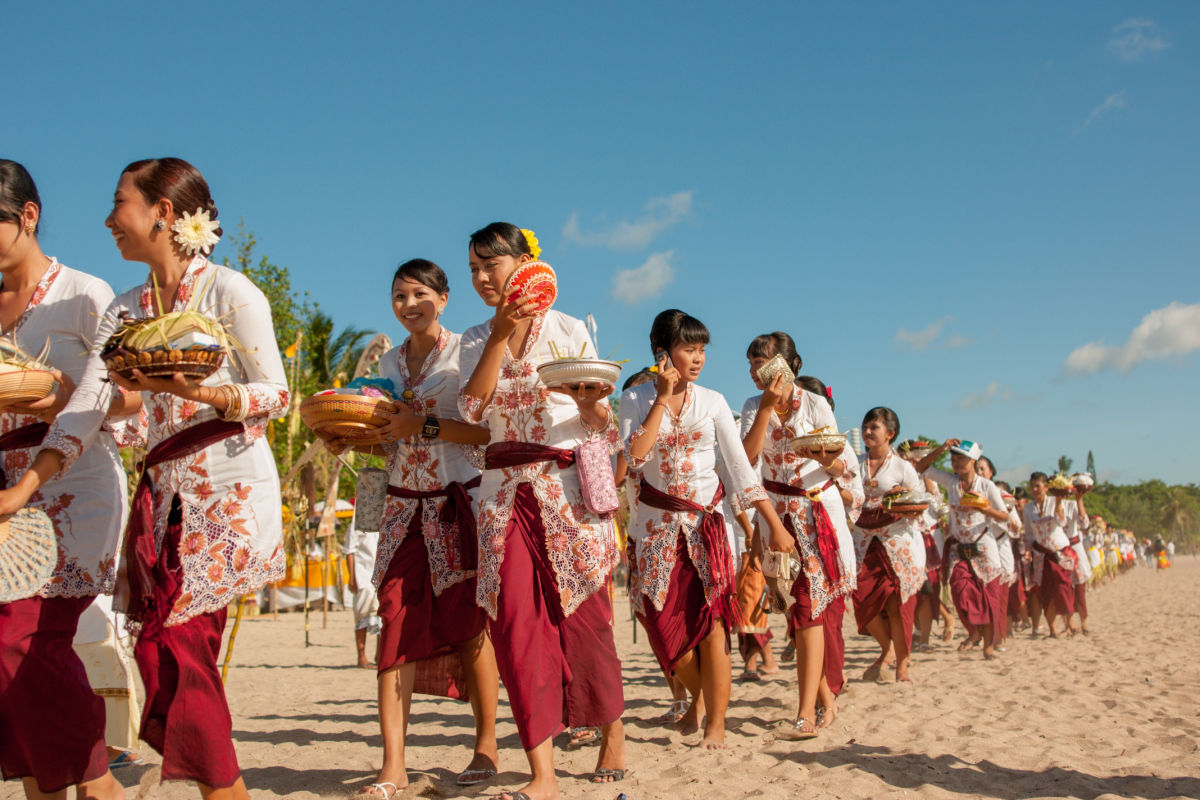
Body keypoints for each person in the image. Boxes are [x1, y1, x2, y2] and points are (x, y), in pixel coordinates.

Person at [3, 158, 288, 799]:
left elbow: (276, 393)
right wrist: (24, 486)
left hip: (228, 487)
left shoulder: (231, 291)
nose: (108, 220)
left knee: (183, 654)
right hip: (162, 496)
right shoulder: (126, 309)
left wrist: (205, 393)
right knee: (159, 659)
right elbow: (85, 408)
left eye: (119, 204)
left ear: (164, 212)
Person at [459, 223, 625, 800]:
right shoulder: (474, 336)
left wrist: (592, 405)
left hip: (566, 491)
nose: (482, 278)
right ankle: (543, 774)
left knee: (587, 619)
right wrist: (499, 336)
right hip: (501, 494)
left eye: (492, 265)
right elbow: (471, 411)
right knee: (515, 627)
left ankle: (613, 736)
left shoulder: (570, 328)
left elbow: (601, 423)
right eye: (474, 269)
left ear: (526, 264)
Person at [330, 258, 498, 799]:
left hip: (457, 504)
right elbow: (387, 438)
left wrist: (418, 422)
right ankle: (393, 765)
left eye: (419, 294)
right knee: (394, 622)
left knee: (469, 626)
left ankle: (487, 745)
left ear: (443, 299)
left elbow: (481, 431)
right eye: (399, 296)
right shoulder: (388, 363)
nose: (408, 305)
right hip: (402, 508)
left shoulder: (465, 351)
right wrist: (350, 437)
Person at [0, 159, 133, 800]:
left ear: (28, 215)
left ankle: (98, 780)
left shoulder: (85, 291)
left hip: (76, 481)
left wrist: (56, 397)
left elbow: (130, 397)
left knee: (27, 641)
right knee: (19, 654)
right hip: (4, 493)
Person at [621, 314, 794, 746]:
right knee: (662, 629)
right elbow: (635, 459)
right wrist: (661, 399)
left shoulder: (714, 401)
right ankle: (701, 701)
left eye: (702, 350)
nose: (698, 358)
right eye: (688, 349)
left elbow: (738, 468)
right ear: (662, 352)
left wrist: (771, 524)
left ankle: (716, 722)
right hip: (653, 530)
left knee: (712, 626)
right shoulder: (635, 399)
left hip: (705, 528)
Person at [737, 333, 853, 735]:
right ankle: (825, 698)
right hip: (774, 518)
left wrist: (824, 458)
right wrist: (767, 408)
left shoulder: (816, 404)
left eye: (764, 363)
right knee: (794, 611)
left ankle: (806, 711)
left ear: (791, 366)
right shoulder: (753, 405)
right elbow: (746, 459)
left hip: (815, 513)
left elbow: (840, 461)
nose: (756, 372)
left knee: (809, 611)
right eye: (751, 364)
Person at [915, 440, 1010, 659]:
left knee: (989, 597)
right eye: (954, 458)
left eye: (962, 458)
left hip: (983, 545)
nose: (956, 462)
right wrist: (941, 448)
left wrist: (985, 509)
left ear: (973, 460)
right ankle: (973, 631)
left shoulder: (987, 486)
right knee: (959, 590)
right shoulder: (951, 481)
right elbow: (921, 468)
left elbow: (1004, 516)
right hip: (959, 546)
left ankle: (988, 646)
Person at [851, 408, 925, 683]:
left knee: (897, 606)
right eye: (865, 426)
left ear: (890, 434)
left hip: (894, 543)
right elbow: (846, 493)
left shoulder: (903, 467)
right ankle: (887, 648)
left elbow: (918, 506)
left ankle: (903, 666)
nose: (867, 432)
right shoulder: (853, 462)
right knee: (862, 601)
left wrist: (900, 497)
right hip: (862, 542)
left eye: (874, 427)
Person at [1021, 472, 1078, 637]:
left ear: (1046, 487)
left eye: (1038, 486)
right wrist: (1028, 550)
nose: (1035, 489)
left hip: (1060, 550)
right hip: (1042, 553)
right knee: (1046, 592)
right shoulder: (1028, 508)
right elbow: (1029, 533)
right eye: (1032, 486)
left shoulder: (1055, 501)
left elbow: (1062, 522)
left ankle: (1070, 622)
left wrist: (1059, 503)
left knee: (1064, 587)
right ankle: (1053, 629)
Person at [342, 513, 381, 668]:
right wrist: (352, 577)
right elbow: (349, 551)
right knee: (361, 615)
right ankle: (362, 656)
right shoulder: (356, 522)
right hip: (363, 575)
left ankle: (380, 655)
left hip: (381, 574)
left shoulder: (385, 516)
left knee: (382, 617)